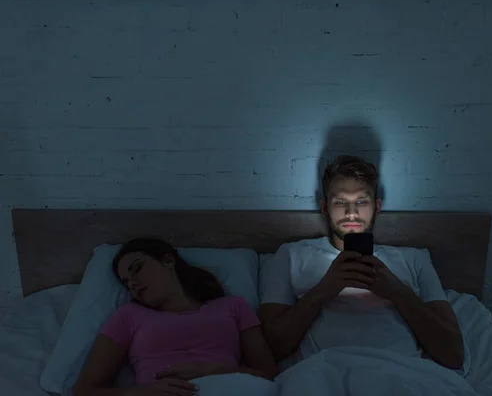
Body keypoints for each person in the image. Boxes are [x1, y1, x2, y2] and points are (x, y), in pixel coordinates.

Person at [259, 155, 465, 370]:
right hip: (324, 373)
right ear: (324, 207)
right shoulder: (292, 255)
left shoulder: (415, 259)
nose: (351, 213)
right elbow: (271, 349)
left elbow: (453, 354)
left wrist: (397, 292)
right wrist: (324, 290)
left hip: (401, 374)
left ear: (377, 206)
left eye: (361, 201)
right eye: (340, 202)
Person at [73, 238, 278, 396]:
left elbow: (269, 375)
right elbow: (85, 391)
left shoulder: (233, 306)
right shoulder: (129, 315)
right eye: (126, 283)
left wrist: (216, 371)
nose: (133, 283)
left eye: (137, 269)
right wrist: (141, 393)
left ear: (168, 260)